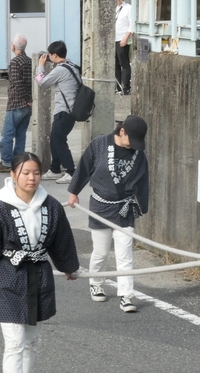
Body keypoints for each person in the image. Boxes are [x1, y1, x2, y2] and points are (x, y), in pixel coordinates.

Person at [0, 152, 79, 373]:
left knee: (32, 341)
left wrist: (68, 267)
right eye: (25, 173)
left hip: (40, 278)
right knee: (15, 343)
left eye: (36, 173)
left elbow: (62, 238)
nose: (31, 178)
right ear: (13, 174)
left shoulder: (51, 205)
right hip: (10, 278)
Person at [68, 115, 149, 313]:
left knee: (124, 254)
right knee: (101, 252)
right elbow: (84, 167)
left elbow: (143, 181)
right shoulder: (100, 144)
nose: (134, 146)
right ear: (122, 132)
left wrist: (142, 206)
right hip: (100, 206)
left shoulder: (138, 153)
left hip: (124, 208)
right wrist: (74, 192)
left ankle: (126, 296)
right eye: (132, 140)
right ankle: (96, 282)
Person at [36, 41, 79, 184]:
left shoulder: (60, 70)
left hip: (64, 111)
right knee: (55, 139)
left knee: (58, 140)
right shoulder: (72, 65)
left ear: (55, 55)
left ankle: (71, 171)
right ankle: (55, 169)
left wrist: (41, 66)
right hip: (70, 111)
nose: (48, 57)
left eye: (49, 55)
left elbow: (42, 83)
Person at [0, 35, 33, 174]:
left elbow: (17, 82)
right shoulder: (30, 61)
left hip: (16, 102)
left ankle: (6, 162)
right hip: (28, 106)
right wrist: (31, 99)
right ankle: (18, 161)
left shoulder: (15, 62)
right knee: (21, 134)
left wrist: (27, 98)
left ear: (14, 47)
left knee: (7, 135)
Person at [115, 0, 132, 95]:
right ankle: (118, 87)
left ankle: (126, 87)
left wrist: (125, 38)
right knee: (115, 64)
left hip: (122, 38)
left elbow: (131, 24)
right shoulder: (114, 9)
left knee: (124, 63)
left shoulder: (128, 8)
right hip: (113, 38)